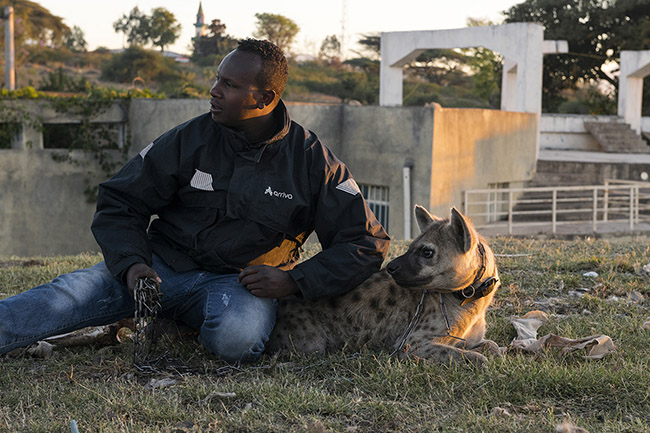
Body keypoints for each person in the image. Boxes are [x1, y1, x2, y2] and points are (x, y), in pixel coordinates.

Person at [0, 39, 390, 363]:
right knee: (61, 297)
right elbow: (121, 199)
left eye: (230, 85)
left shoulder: (311, 161)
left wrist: (293, 280)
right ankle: (152, 312)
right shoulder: (189, 138)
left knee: (236, 341)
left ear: (264, 97)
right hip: (158, 270)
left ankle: (173, 323)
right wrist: (133, 265)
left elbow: (366, 243)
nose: (214, 91)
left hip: (237, 286)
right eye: (217, 79)